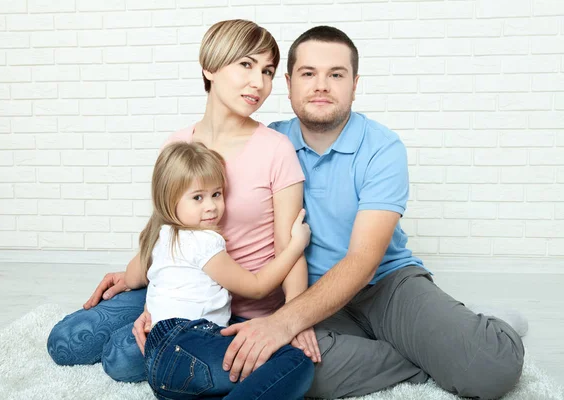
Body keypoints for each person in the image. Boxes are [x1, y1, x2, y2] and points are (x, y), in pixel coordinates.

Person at [216, 26, 526, 400]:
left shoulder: (382, 147)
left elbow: (364, 259)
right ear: (289, 82)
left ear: (355, 84)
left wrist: (283, 323)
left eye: (336, 74)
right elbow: (203, 213)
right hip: (310, 296)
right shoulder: (269, 144)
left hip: (385, 284)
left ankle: (484, 328)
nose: (321, 85)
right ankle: (425, 352)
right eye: (308, 73)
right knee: (291, 375)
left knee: (489, 368)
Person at [47, 19, 320, 383]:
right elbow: (164, 228)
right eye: (246, 64)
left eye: (268, 71)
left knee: (121, 359)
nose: (260, 82)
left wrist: (293, 318)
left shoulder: (276, 150)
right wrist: (138, 281)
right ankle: (160, 330)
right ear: (209, 66)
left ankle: (171, 343)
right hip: (175, 290)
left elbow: (291, 245)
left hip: (233, 309)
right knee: (65, 342)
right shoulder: (178, 145)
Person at [127, 141, 313, 399]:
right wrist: (296, 245)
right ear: (169, 200)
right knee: (295, 361)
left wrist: (147, 306)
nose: (211, 206)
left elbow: (131, 275)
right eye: (197, 197)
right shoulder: (204, 241)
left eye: (217, 194)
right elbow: (257, 287)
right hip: (188, 342)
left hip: (157, 362)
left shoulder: (162, 235)